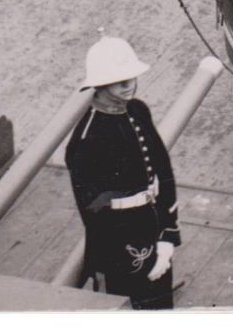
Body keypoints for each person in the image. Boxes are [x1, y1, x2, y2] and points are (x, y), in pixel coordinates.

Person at [64, 37, 180, 309]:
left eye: (131, 76)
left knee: (162, 307)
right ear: (100, 83)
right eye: (119, 79)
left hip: (153, 223)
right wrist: (136, 258)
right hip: (120, 242)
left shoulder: (138, 111)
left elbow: (163, 174)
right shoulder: (85, 140)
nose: (129, 84)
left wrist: (168, 236)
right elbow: (93, 212)